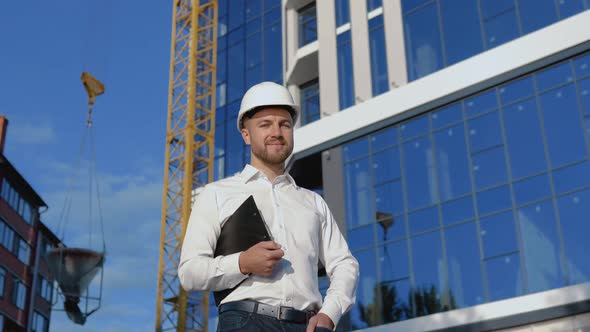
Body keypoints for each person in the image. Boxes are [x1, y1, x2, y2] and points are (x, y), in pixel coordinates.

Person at [178, 82, 359, 332]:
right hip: (244, 323)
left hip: (305, 325)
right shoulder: (217, 194)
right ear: (246, 134)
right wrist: (242, 263)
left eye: (284, 124)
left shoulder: (313, 201)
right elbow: (189, 273)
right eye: (265, 125)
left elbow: (344, 264)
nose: (276, 132)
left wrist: (330, 313)